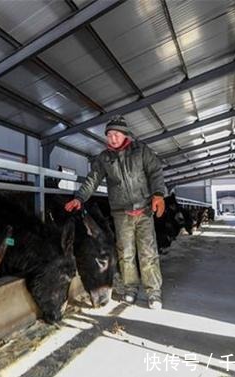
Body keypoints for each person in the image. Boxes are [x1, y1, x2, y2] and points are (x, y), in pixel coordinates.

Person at [64, 115, 167, 309]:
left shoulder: (141, 151)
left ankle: (154, 293)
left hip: (144, 211)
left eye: (116, 134)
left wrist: (159, 194)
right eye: (109, 135)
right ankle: (130, 289)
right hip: (121, 213)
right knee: (125, 254)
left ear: (125, 134)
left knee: (148, 253)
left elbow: (155, 172)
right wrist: (79, 198)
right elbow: (92, 180)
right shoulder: (104, 158)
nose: (112, 138)